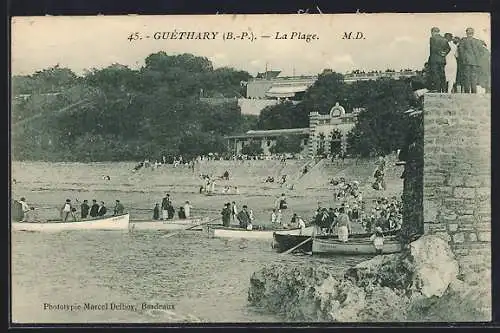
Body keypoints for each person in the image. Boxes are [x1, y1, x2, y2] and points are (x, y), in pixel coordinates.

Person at [458, 27, 488, 94]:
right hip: (475, 62)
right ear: (473, 33)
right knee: (474, 77)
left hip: (466, 62)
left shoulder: (463, 40)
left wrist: (463, 59)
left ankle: (467, 92)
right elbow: (482, 51)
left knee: (467, 77)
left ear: (466, 33)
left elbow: (461, 51)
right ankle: (474, 92)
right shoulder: (477, 41)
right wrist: (478, 58)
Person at [428, 27, 450, 92]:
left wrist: (439, 53)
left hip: (434, 59)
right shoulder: (444, 39)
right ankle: (443, 89)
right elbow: (449, 48)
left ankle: (437, 89)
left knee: (435, 74)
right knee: (442, 75)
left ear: (433, 32)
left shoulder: (432, 38)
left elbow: (433, 49)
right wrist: (444, 53)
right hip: (442, 60)